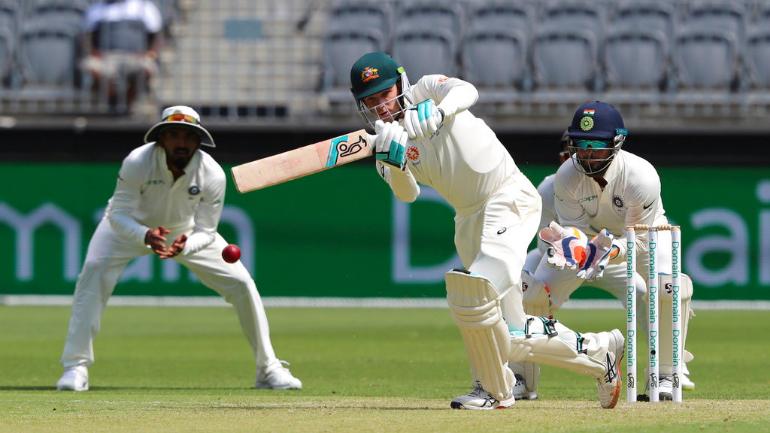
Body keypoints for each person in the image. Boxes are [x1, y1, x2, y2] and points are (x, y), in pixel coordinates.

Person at [350, 52, 625, 410]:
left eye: (385, 94)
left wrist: (437, 111)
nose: (381, 107)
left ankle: (491, 390)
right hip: (468, 220)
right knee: (510, 334)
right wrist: (394, 161)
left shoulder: (429, 91)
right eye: (370, 101)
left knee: (473, 290)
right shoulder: (386, 141)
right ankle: (599, 353)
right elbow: (408, 194)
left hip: (506, 195)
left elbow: (468, 90)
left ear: (400, 84)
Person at [56, 105, 301, 391]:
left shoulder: (212, 173)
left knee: (242, 283)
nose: (181, 142)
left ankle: (268, 368)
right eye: (173, 134)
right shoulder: (137, 161)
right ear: (160, 139)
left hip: (186, 232)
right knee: (94, 272)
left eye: (188, 135)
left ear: (199, 141)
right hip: (128, 228)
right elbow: (117, 214)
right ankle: (76, 367)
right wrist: (144, 234)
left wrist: (185, 246)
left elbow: (207, 231)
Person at [521, 101, 695, 401]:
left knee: (668, 287)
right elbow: (571, 230)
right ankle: (521, 380)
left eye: (595, 145)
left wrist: (608, 251)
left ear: (616, 143)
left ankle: (666, 375)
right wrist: (577, 248)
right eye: (580, 144)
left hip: (643, 239)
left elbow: (638, 240)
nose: (586, 153)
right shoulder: (563, 178)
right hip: (587, 249)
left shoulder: (641, 176)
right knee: (534, 292)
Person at [80, 0, 163, 109]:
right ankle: (113, 98)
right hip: (106, 57)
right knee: (89, 65)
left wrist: (151, 53)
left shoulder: (144, 7)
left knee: (147, 68)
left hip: (136, 57)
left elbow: (156, 35)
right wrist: (93, 52)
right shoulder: (97, 8)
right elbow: (86, 36)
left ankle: (128, 101)